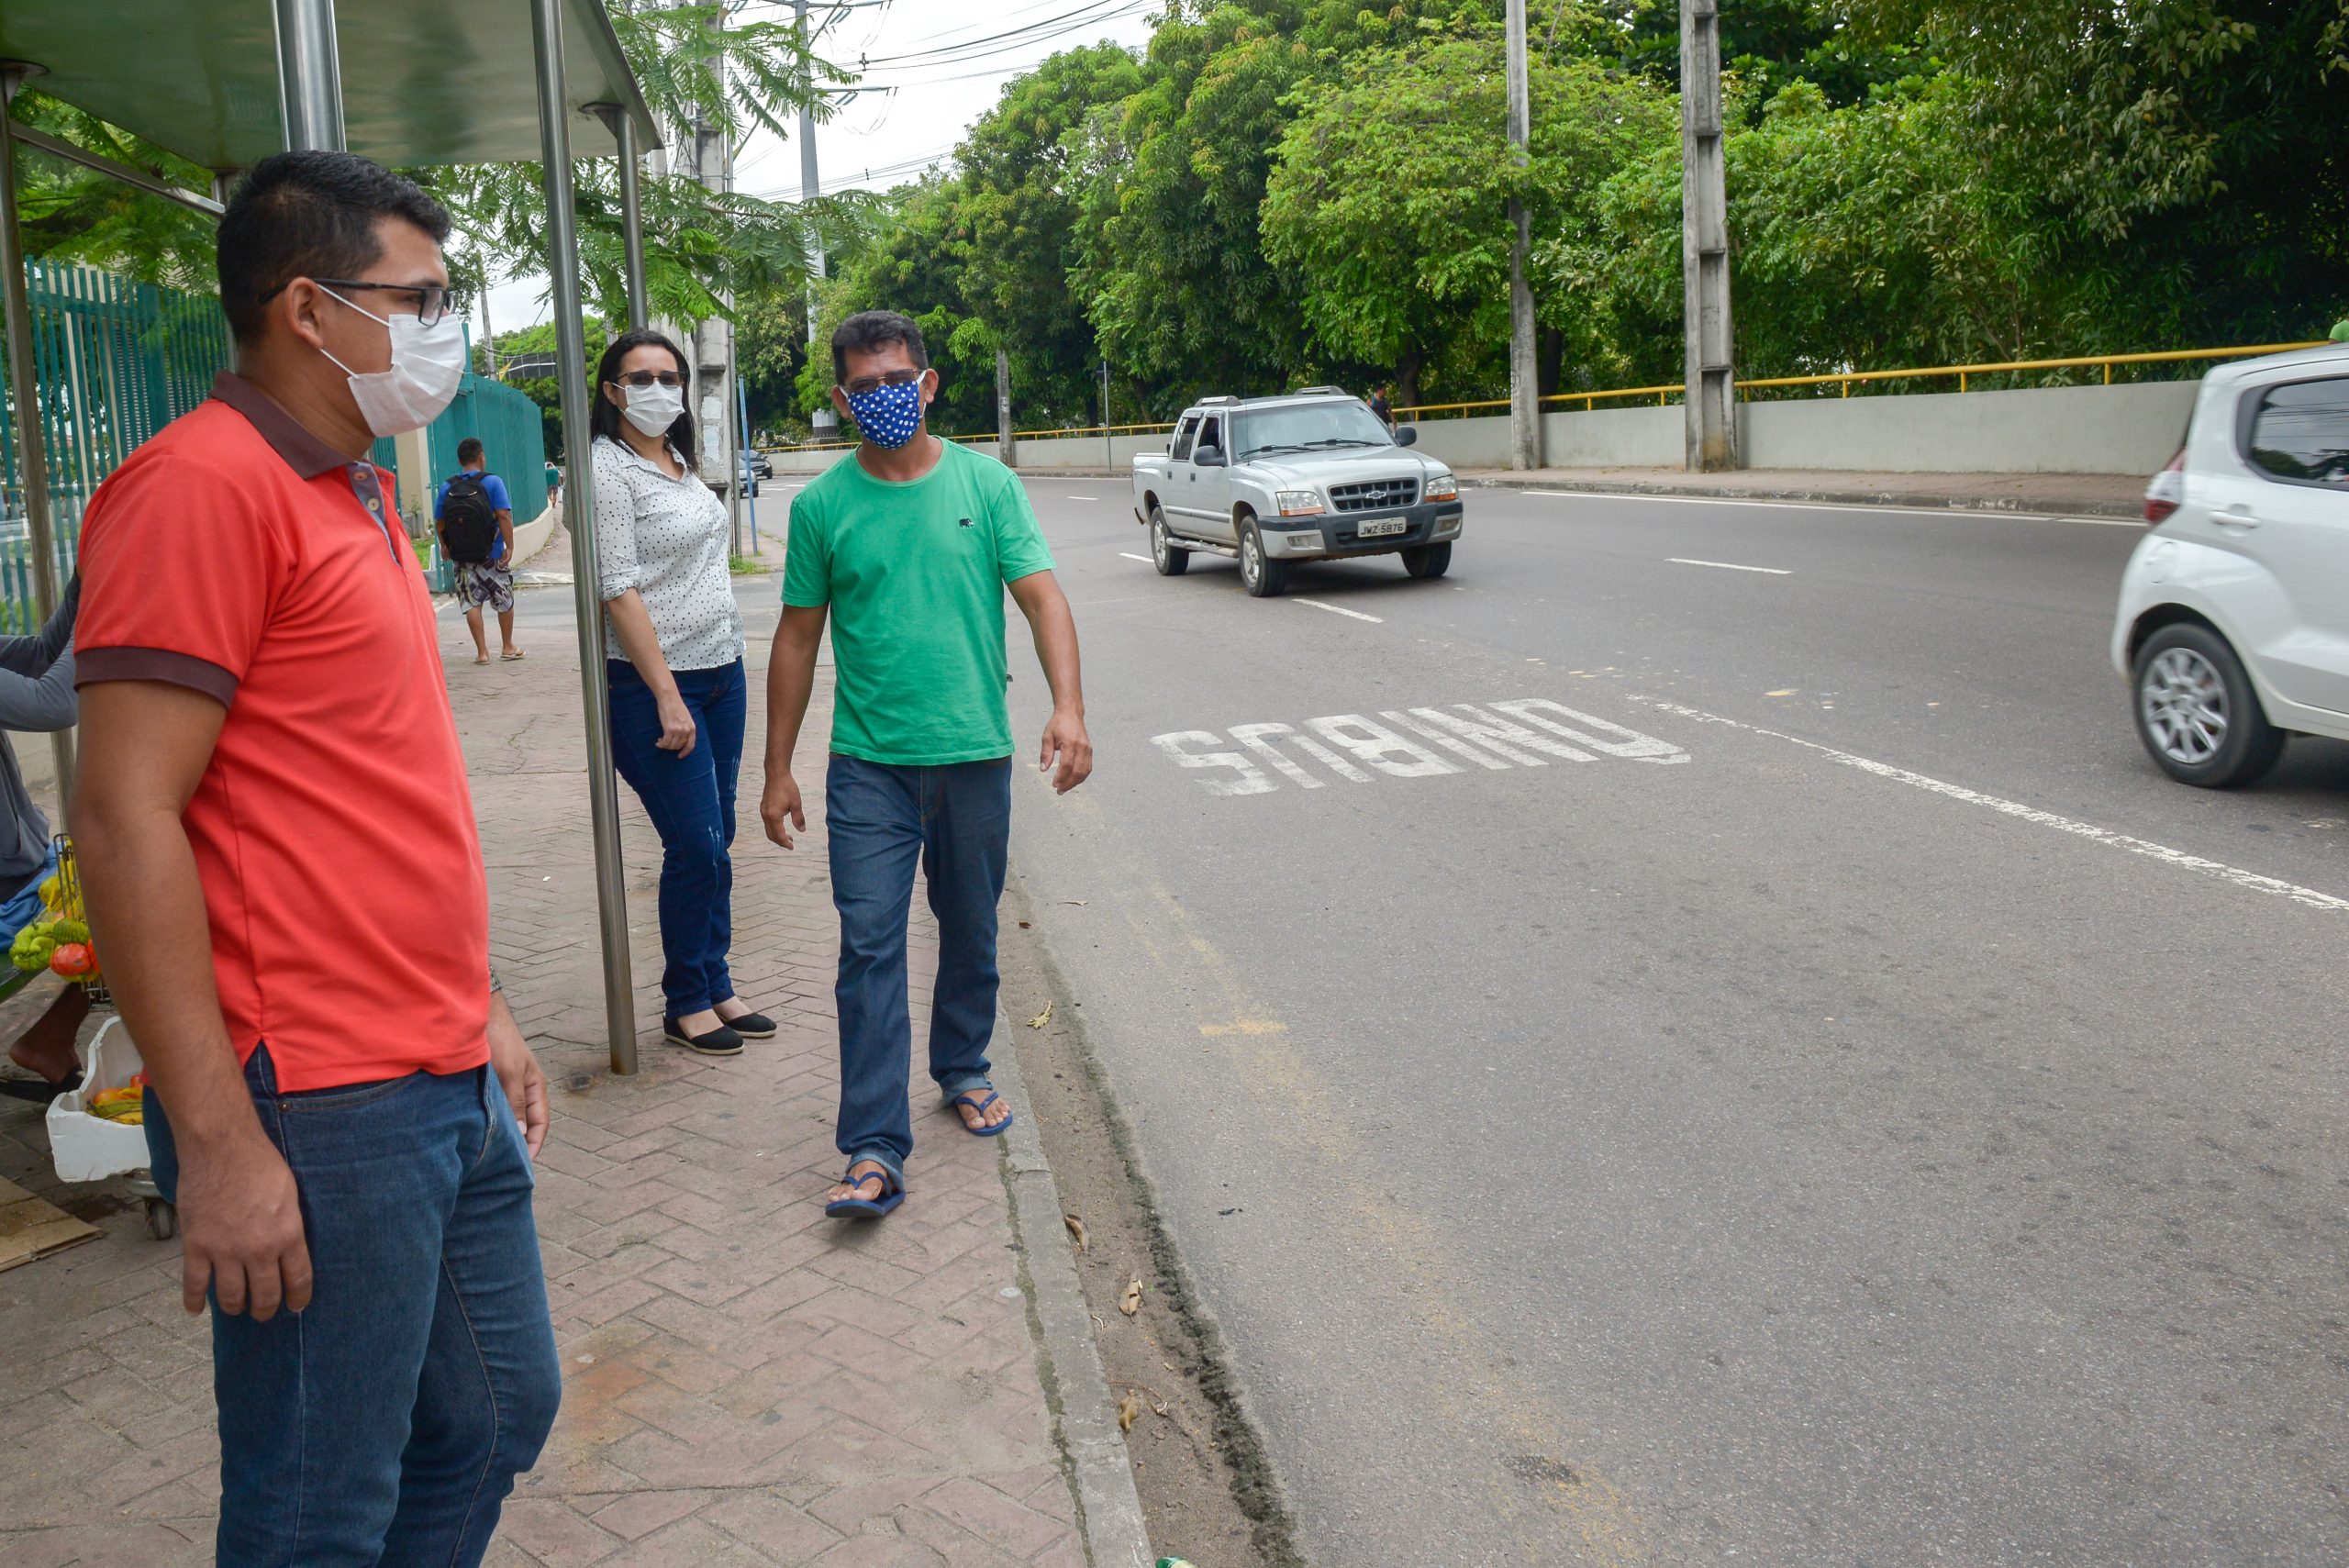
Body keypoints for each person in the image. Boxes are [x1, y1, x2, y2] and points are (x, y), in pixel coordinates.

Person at [68, 150, 559, 1567]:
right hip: (316, 1099)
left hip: (434, 1062)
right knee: (315, 1506)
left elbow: (378, 791)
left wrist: (482, 999)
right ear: (307, 307)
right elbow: (123, 817)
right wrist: (220, 1145)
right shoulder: (197, 490)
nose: (444, 330)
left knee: (495, 1413)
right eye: (421, 299)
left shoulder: (352, 489)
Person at [761, 309, 1092, 1220]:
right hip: (868, 765)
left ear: (928, 383)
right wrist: (776, 767)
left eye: (896, 382)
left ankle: (963, 1065)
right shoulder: (822, 507)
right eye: (863, 387)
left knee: (970, 925)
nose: (882, 398)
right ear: (842, 400)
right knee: (869, 944)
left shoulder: (987, 485)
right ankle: (873, 1143)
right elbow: (796, 639)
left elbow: (1043, 598)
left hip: (974, 754)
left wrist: (1067, 707)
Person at [590, 328, 774, 1056]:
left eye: (670, 377)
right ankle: (685, 1000)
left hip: (723, 673)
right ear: (613, 391)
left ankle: (716, 982)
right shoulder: (607, 469)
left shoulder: (677, 458)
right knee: (695, 844)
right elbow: (617, 588)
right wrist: (666, 693)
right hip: (654, 688)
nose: (658, 389)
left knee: (719, 837)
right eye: (641, 378)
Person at [0, 577, 90, 1092]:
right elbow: (53, 703)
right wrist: (108, 591)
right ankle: (48, 1041)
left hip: (20, 872)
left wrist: (82, 584)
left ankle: (50, 1038)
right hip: (8, 894)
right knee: (134, 896)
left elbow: (39, 657)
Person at [436, 436, 522, 664]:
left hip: (462, 555)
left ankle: (482, 652)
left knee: (471, 602)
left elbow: (440, 521)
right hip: (492, 553)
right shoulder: (493, 482)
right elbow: (503, 515)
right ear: (481, 457)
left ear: (459, 461)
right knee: (504, 597)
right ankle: (507, 646)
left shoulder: (447, 486)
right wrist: (509, 545)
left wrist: (445, 545)